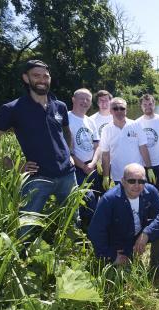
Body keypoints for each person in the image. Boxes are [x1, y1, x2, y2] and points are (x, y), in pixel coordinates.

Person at [0, 60, 76, 236]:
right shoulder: (13, 109)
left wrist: (69, 153)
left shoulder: (60, 106)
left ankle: (71, 250)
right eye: (36, 75)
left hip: (67, 175)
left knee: (71, 219)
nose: (42, 79)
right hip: (37, 178)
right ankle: (22, 259)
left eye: (45, 76)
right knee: (26, 228)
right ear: (26, 78)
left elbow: (67, 133)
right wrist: (15, 166)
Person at [88, 163, 159, 276]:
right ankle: (119, 258)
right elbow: (95, 231)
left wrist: (146, 233)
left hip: (139, 232)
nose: (137, 185)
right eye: (132, 181)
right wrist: (110, 255)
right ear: (123, 181)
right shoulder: (109, 199)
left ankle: (156, 264)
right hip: (119, 240)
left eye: (141, 181)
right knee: (121, 276)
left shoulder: (150, 190)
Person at [99, 98, 155, 188]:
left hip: (137, 173)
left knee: (140, 199)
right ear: (110, 111)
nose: (119, 111)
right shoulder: (106, 130)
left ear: (126, 110)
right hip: (118, 175)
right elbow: (105, 155)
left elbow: (143, 148)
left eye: (122, 108)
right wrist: (106, 176)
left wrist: (149, 168)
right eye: (115, 108)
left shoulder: (136, 125)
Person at [68, 88, 102, 228]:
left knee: (96, 196)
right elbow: (66, 150)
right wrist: (82, 166)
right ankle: (83, 233)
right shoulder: (66, 118)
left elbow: (97, 145)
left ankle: (92, 230)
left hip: (92, 166)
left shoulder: (90, 121)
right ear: (73, 99)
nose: (85, 102)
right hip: (76, 168)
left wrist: (93, 163)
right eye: (81, 98)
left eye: (88, 99)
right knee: (87, 200)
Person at [136, 94, 159, 203]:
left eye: (150, 104)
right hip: (144, 165)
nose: (148, 106)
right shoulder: (136, 123)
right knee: (146, 191)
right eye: (145, 104)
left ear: (154, 104)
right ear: (141, 106)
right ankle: (150, 212)